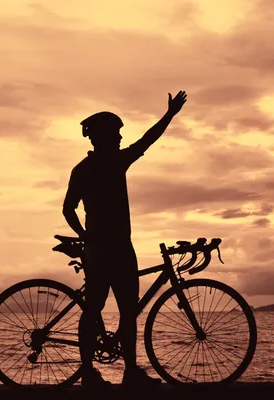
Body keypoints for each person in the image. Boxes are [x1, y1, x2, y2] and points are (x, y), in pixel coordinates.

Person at [62, 91, 187, 386]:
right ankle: (110, 372)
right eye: (116, 133)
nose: (120, 137)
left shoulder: (92, 167)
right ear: (103, 136)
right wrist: (169, 115)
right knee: (112, 309)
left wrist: (84, 235)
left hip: (108, 247)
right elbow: (148, 139)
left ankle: (114, 372)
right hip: (110, 248)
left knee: (109, 308)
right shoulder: (107, 164)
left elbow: (68, 209)